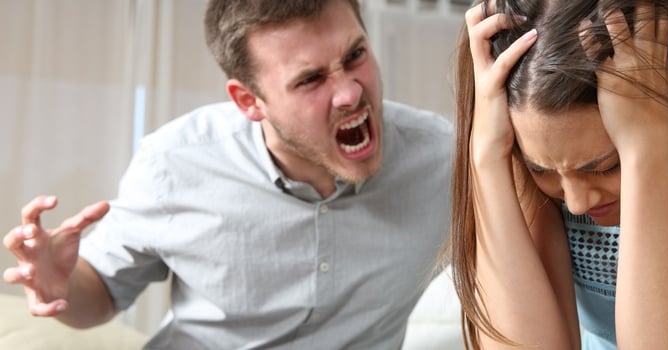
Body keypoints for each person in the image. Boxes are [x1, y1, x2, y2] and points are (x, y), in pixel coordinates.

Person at [2, 0, 453, 348]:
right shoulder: (175, 164)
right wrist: (59, 284)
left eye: (355, 55)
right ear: (248, 101)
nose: (351, 93)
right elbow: (98, 295)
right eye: (311, 80)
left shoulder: (441, 161)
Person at [449, 0, 668, 349]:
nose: (575, 202)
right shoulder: (529, 145)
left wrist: (646, 145)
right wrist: (486, 155)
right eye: (541, 169)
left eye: (605, 166)